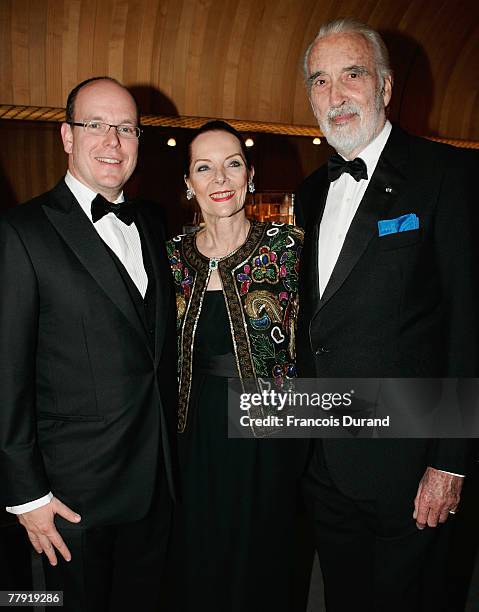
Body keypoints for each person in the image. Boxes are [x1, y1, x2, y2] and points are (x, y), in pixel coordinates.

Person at [295, 18, 478, 612]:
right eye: (320, 81)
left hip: (411, 468)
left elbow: (468, 325)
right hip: (325, 463)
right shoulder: (310, 193)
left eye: (352, 75)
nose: (336, 95)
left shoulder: (448, 175)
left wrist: (449, 461)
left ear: (386, 87)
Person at [0, 77, 178, 612]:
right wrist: (27, 496)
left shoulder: (152, 221)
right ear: (67, 137)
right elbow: (6, 377)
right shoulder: (21, 232)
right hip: (67, 503)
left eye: (125, 128)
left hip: (155, 486)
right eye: (95, 125)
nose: (112, 141)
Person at [165, 120, 311, 612]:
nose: (219, 179)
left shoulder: (290, 249)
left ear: (250, 175)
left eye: (232, 164)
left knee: (265, 554)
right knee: (201, 552)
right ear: (189, 184)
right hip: (195, 429)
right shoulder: (171, 259)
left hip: (270, 429)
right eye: (204, 167)